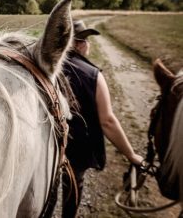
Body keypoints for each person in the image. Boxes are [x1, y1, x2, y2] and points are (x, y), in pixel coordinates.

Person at [61, 20, 143, 218]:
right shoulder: (93, 75)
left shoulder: (46, 69)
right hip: (76, 151)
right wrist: (132, 156)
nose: (87, 44)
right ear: (78, 44)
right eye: (85, 40)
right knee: (73, 184)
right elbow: (107, 121)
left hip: (50, 144)